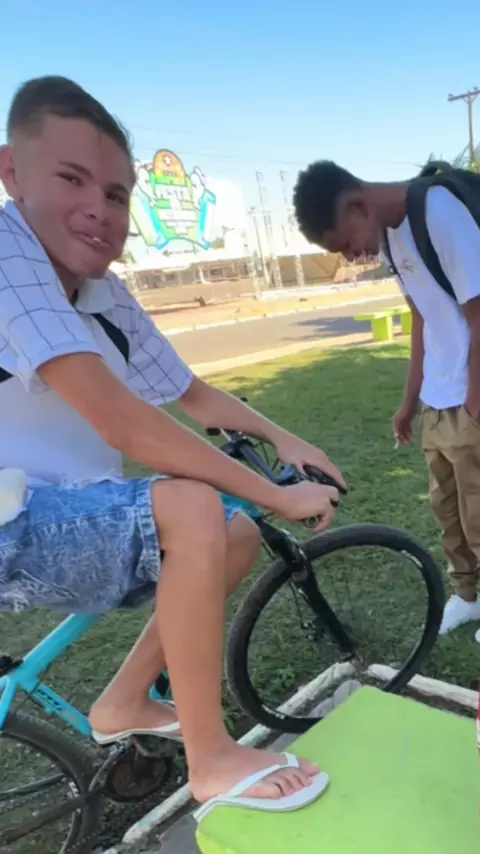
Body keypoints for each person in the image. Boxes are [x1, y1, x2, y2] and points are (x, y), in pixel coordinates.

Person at [0, 77, 344, 813]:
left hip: (56, 508)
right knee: (190, 506)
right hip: (10, 522)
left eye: (116, 194)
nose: (99, 208)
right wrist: (279, 492)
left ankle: (126, 699)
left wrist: (285, 437)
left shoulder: (101, 290)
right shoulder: (7, 251)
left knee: (233, 530)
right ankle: (211, 758)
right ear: (11, 173)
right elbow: (124, 423)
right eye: (70, 179)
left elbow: (189, 392)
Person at [293, 159, 480, 642]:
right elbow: (421, 318)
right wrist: (409, 400)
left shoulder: (439, 212)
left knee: (479, 510)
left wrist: (475, 400)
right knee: (447, 511)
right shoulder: (392, 238)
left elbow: (479, 316)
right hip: (438, 399)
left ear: (359, 206)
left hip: (470, 397)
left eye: (346, 243)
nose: (352, 255)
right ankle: (468, 595)